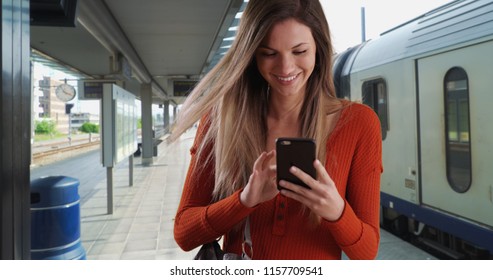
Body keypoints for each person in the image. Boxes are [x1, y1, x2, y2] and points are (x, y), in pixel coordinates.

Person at [170, 0, 382, 260]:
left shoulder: (360, 123)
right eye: (269, 53)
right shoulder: (220, 121)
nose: (285, 68)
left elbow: (367, 251)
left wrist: (337, 212)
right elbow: (184, 233)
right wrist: (245, 200)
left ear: (319, 48)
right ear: (251, 56)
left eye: (299, 51)